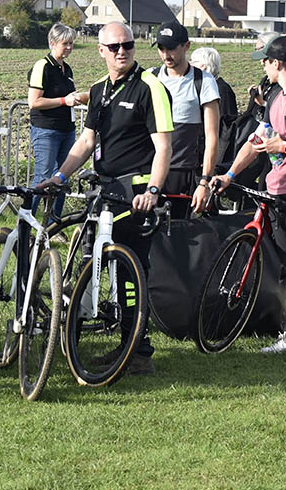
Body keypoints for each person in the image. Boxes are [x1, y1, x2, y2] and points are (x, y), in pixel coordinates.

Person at [42, 21, 173, 376]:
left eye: (127, 45)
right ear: (101, 51)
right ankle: (98, 337)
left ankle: (138, 351)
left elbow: (164, 147)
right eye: (114, 47)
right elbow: (86, 142)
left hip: (137, 191)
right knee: (94, 259)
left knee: (132, 272)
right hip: (106, 188)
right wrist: (58, 176)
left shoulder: (151, 88)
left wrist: (153, 191)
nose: (121, 52)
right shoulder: (99, 90)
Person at [213, 35, 286, 356]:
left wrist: (284, 147)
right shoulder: (273, 98)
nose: (262, 65)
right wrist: (229, 174)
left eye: (265, 60)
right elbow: (255, 142)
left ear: (277, 63)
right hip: (276, 193)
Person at [152, 20, 220, 218]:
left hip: (183, 173)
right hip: (151, 170)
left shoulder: (204, 82)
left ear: (186, 46)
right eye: (161, 48)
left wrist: (205, 181)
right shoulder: (151, 78)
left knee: (177, 233)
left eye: (171, 48)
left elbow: (212, 136)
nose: (166, 55)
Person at [27, 22, 87, 222]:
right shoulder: (42, 66)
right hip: (46, 130)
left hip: (66, 130)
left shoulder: (67, 69)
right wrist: (64, 100)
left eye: (71, 44)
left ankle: (54, 224)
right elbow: (34, 102)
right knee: (42, 177)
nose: (69, 48)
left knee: (62, 177)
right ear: (53, 43)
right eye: (65, 44)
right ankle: (28, 220)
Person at [190, 46, 238, 167]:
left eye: (193, 62)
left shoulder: (222, 90)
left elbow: (225, 129)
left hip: (211, 159)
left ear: (205, 67)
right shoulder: (201, 87)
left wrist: (213, 158)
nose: (190, 65)